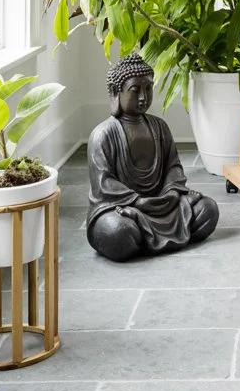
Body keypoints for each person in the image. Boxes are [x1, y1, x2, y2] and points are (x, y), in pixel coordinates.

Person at [86, 54, 218, 261]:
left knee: (207, 210)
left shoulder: (159, 127)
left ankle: (145, 241)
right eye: (135, 90)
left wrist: (172, 191)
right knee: (119, 233)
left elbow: (173, 167)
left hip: (164, 202)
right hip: (124, 206)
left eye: (148, 89)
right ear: (115, 92)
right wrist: (136, 201)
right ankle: (138, 237)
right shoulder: (103, 134)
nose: (143, 97)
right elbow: (104, 184)